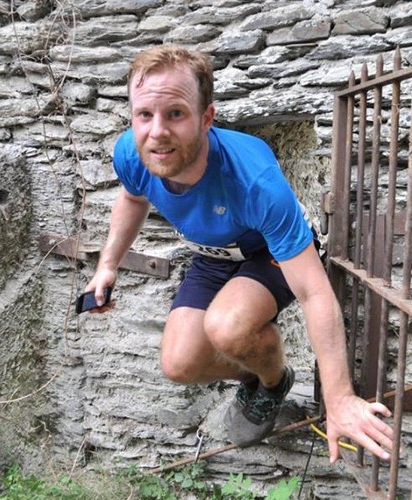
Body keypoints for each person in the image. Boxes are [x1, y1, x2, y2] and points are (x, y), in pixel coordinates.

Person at [85, 44, 393, 463]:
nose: (157, 132)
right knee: (179, 363)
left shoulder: (255, 182)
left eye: (175, 114)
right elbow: (133, 198)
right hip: (214, 254)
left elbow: (314, 292)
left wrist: (339, 398)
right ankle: (260, 374)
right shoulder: (133, 152)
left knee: (227, 328)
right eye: (144, 115)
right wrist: (107, 266)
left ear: (206, 118)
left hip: (269, 252)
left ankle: (273, 381)